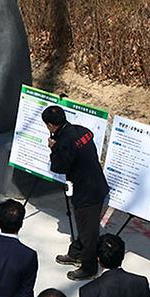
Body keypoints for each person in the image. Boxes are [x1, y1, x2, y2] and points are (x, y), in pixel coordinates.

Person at [43, 105, 110, 281]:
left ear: (51, 125)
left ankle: (89, 268)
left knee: (89, 233)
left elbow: (58, 167)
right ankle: (76, 253)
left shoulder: (64, 143)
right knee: (85, 227)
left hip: (86, 192)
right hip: (97, 185)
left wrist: (53, 149)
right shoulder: (82, 130)